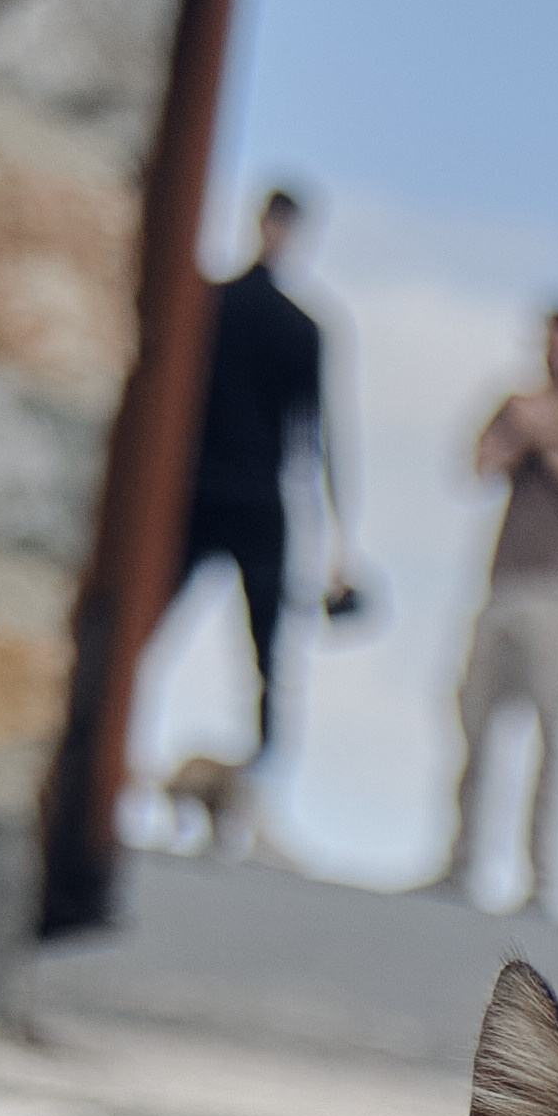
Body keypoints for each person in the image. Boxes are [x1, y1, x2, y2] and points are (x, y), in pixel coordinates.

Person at [167, 186, 351, 840]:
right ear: (263, 223)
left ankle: (255, 795)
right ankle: (92, 758)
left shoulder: (302, 328)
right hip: (194, 492)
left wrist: (341, 542)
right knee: (142, 627)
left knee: (269, 656)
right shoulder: (213, 303)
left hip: (257, 502)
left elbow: (322, 436)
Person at [441, 304, 558, 909]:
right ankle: (461, 862)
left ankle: (542, 882)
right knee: (474, 722)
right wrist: (518, 430)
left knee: (555, 739)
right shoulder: (517, 404)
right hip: (504, 584)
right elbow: (477, 466)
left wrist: (550, 432)